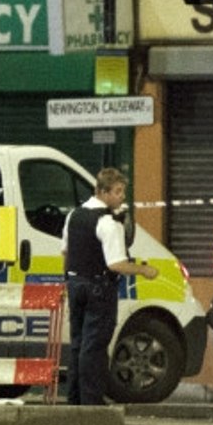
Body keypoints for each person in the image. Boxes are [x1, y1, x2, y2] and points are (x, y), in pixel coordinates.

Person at [62, 167, 158, 405]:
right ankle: (92, 400)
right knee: (94, 345)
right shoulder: (107, 222)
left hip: (75, 284)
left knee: (78, 343)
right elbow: (116, 264)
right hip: (99, 288)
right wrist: (145, 270)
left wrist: (69, 280)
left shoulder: (73, 215)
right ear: (103, 192)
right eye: (117, 191)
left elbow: (66, 252)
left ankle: (74, 397)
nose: (121, 197)